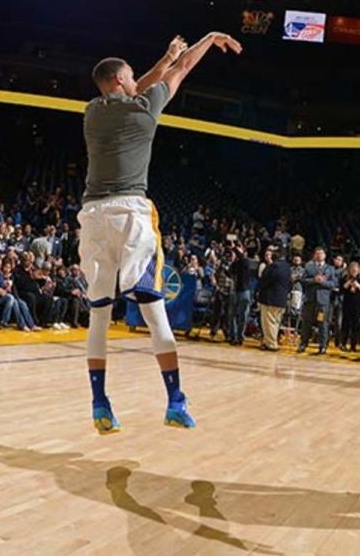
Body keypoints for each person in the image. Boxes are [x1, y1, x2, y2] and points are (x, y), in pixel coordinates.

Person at [78, 31, 242, 434]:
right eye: (131, 75)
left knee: (99, 315)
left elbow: (140, 83)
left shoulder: (92, 111)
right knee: (154, 310)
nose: (138, 79)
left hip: (92, 215)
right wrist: (208, 39)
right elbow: (182, 69)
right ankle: (175, 401)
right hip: (130, 213)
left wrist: (165, 57)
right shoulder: (145, 107)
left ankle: (100, 405)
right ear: (121, 79)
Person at [296, 247, 337, 355]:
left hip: (322, 302)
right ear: (314, 255)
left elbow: (334, 284)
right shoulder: (309, 267)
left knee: (322, 323)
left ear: (325, 255)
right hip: (310, 300)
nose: (319, 255)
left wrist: (323, 282)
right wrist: (314, 280)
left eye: (321, 253)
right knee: (306, 323)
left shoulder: (330, 269)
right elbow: (303, 281)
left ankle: (322, 346)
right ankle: (303, 344)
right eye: (317, 253)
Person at [257, 247, 291, 351]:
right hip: (281, 299)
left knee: (268, 323)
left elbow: (264, 281)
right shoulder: (287, 267)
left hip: (270, 299)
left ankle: (271, 344)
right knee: (275, 323)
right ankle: (269, 341)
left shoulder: (273, 267)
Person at [339, 260, 360, 351]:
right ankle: (343, 343)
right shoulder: (344, 277)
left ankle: (353, 345)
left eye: (355, 269)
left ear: (358, 270)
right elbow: (341, 289)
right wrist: (348, 283)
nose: (353, 271)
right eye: (352, 269)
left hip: (358, 303)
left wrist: (357, 285)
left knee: (355, 325)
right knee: (345, 324)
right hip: (347, 303)